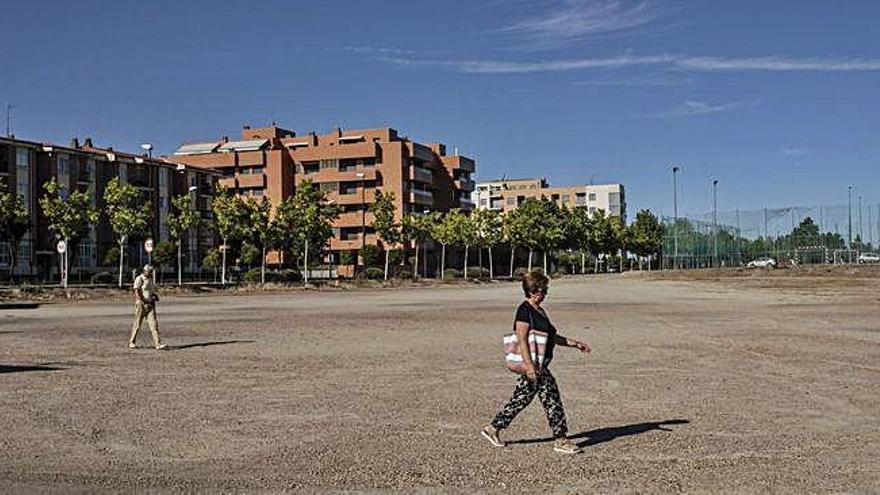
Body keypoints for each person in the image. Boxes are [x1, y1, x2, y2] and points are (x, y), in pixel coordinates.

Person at [481, 270, 591, 454]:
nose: (546, 293)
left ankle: (492, 429)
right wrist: (530, 367)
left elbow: (550, 336)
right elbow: (521, 339)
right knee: (552, 400)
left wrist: (574, 343)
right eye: (543, 290)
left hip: (540, 366)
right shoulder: (525, 311)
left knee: (521, 399)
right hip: (535, 366)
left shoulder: (539, 311)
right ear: (533, 291)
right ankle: (561, 439)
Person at [129, 264, 167, 350]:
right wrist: (144, 301)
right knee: (137, 324)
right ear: (144, 271)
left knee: (154, 325)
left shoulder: (150, 280)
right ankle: (132, 342)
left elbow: (150, 291)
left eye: (151, 272)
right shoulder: (139, 279)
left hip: (150, 305)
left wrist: (154, 296)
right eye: (149, 271)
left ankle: (158, 344)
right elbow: (137, 291)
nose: (150, 273)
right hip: (141, 305)